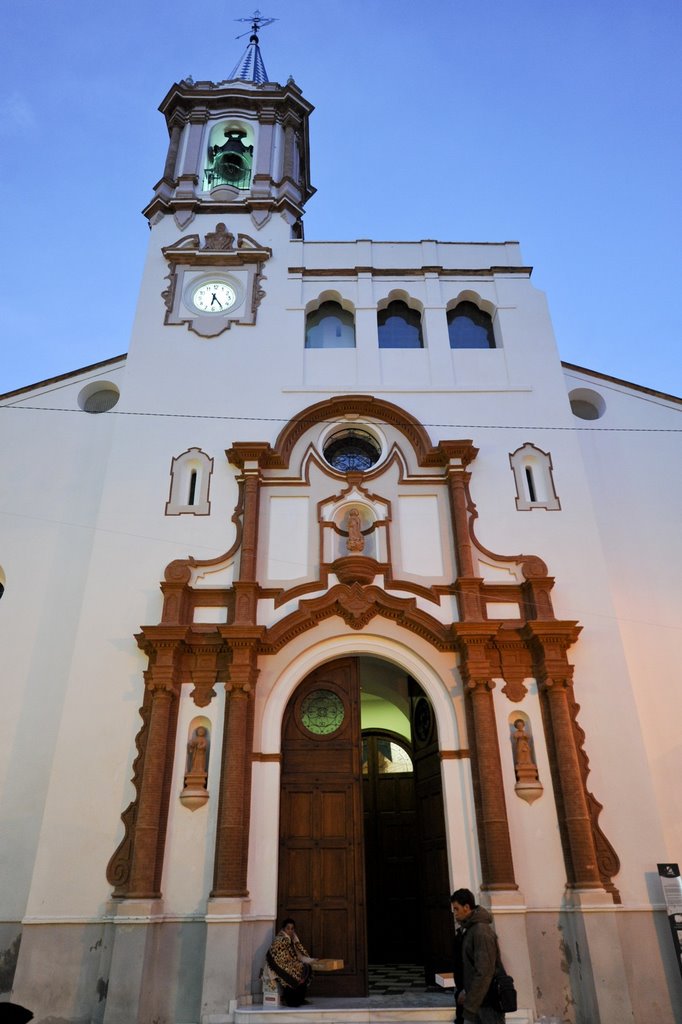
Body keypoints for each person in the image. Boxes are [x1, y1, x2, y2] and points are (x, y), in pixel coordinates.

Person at [450, 888, 504, 1024]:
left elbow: (484, 971)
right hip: (477, 1002)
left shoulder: (480, 932)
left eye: (456, 909)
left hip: (486, 1004)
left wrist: (470, 1003)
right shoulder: (468, 930)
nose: (454, 913)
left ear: (467, 907)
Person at [265, 918, 316, 1006]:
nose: (290, 931)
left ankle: (300, 999)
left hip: (288, 964)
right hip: (276, 966)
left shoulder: (292, 939)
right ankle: (291, 1001)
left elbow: (298, 955)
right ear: (283, 929)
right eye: (288, 928)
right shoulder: (280, 940)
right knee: (296, 970)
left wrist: (312, 961)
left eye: (292, 929)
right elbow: (278, 957)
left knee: (306, 968)